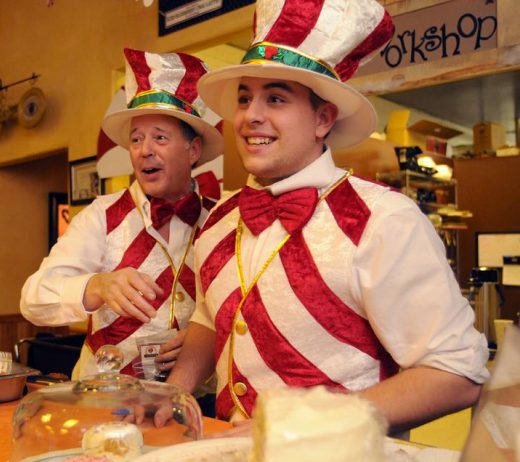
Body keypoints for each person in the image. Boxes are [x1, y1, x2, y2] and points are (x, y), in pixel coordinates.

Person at [163, 0, 489, 436]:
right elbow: (209, 314)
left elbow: (457, 373)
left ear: (322, 118)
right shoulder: (221, 217)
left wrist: (304, 426)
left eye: (275, 98)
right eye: (244, 98)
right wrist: (175, 392)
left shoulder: (383, 219)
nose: (250, 115)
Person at [20, 48, 224, 380]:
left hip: (198, 400)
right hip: (104, 398)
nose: (145, 150)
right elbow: (33, 298)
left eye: (160, 137)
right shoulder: (100, 216)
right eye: (136, 139)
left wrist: (209, 340)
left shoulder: (222, 220)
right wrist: (96, 286)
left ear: (194, 150)